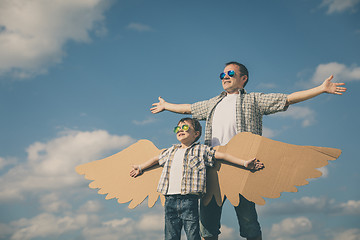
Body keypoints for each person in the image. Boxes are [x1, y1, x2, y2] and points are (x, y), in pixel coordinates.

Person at [150, 61, 347, 240]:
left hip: (242, 166)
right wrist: (166, 106)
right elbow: (189, 108)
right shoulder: (212, 103)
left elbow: (287, 99)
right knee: (207, 227)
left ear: (243, 78)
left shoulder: (254, 100)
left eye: (230, 73)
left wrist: (321, 89)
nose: (225, 77)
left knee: (248, 222)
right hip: (212, 169)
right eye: (222, 75)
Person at [130, 117, 264, 240]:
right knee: (170, 235)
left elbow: (222, 156)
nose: (180, 130)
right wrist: (140, 167)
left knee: (193, 234)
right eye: (177, 128)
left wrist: (244, 163)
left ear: (196, 134)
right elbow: (155, 159)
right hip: (169, 199)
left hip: (190, 200)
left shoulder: (202, 150)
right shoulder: (170, 151)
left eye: (185, 127)